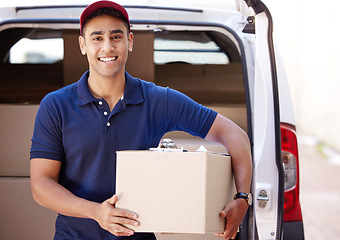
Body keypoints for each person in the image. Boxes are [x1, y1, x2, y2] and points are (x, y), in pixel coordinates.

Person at [30, 1, 252, 240]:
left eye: (116, 36)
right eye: (97, 38)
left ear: (130, 41)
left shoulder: (159, 100)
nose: (107, 46)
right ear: (83, 45)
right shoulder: (56, 106)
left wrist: (242, 198)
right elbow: (41, 184)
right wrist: (96, 212)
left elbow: (234, 135)